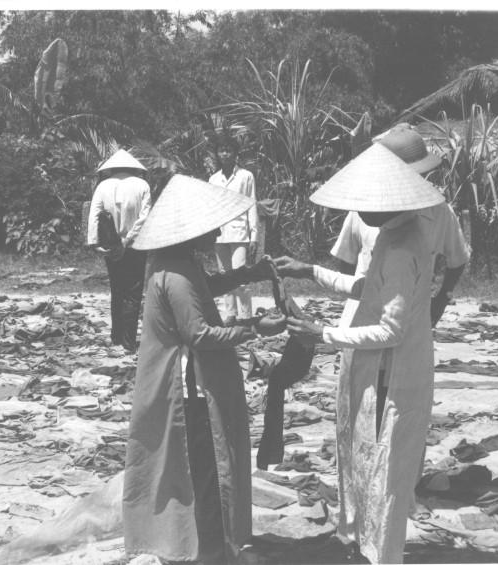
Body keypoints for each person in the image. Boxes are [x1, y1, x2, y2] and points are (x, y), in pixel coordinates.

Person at [274, 141, 469, 564]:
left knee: (386, 466)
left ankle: (381, 552)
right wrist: (309, 270)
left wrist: (321, 334)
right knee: (363, 452)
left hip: (391, 368)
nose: (362, 210)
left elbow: (390, 329)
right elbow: (364, 286)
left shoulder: (403, 246)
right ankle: (362, 542)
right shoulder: (394, 234)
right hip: (376, 360)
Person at [123, 174, 285, 565]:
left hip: (190, 380)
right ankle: (209, 550)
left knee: (204, 468)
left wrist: (247, 274)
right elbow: (200, 334)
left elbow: (204, 288)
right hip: (188, 388)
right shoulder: (175, 274)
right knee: (207, 470)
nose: (215, 234)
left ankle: (208, 544)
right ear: (190, 233)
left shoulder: (176, 263)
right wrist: (253, 328)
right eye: (209, 229)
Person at [331, 123, 469, 328]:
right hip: (361, 317)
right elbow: (346, 258)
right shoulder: (363, 209)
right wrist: (359, 295)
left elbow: (457, 259)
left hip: (412, 320)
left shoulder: (439, 212)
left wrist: (441, 300)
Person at [87, 149, 151, 352]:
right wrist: (129, 238)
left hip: (110, 246)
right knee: (133, 292)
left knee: (117, 289)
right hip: (135, 245)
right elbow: (145, 217)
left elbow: (94, 214)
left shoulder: (103, 186)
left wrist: (94, 242)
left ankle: (116, 336)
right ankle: (128, 340)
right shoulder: (143, 185)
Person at [209, 134, 259, 324]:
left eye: (228, 150)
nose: (225, 154)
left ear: (235, 153)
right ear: (217, 154)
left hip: (240, 233)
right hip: (219, 234)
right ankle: (230, 314)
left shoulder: (246, 176)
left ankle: (246, 316)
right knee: (224, 276)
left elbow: (251, 204)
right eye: (221, 150)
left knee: (240, 276)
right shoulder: (213, 179)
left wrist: (254, 236)